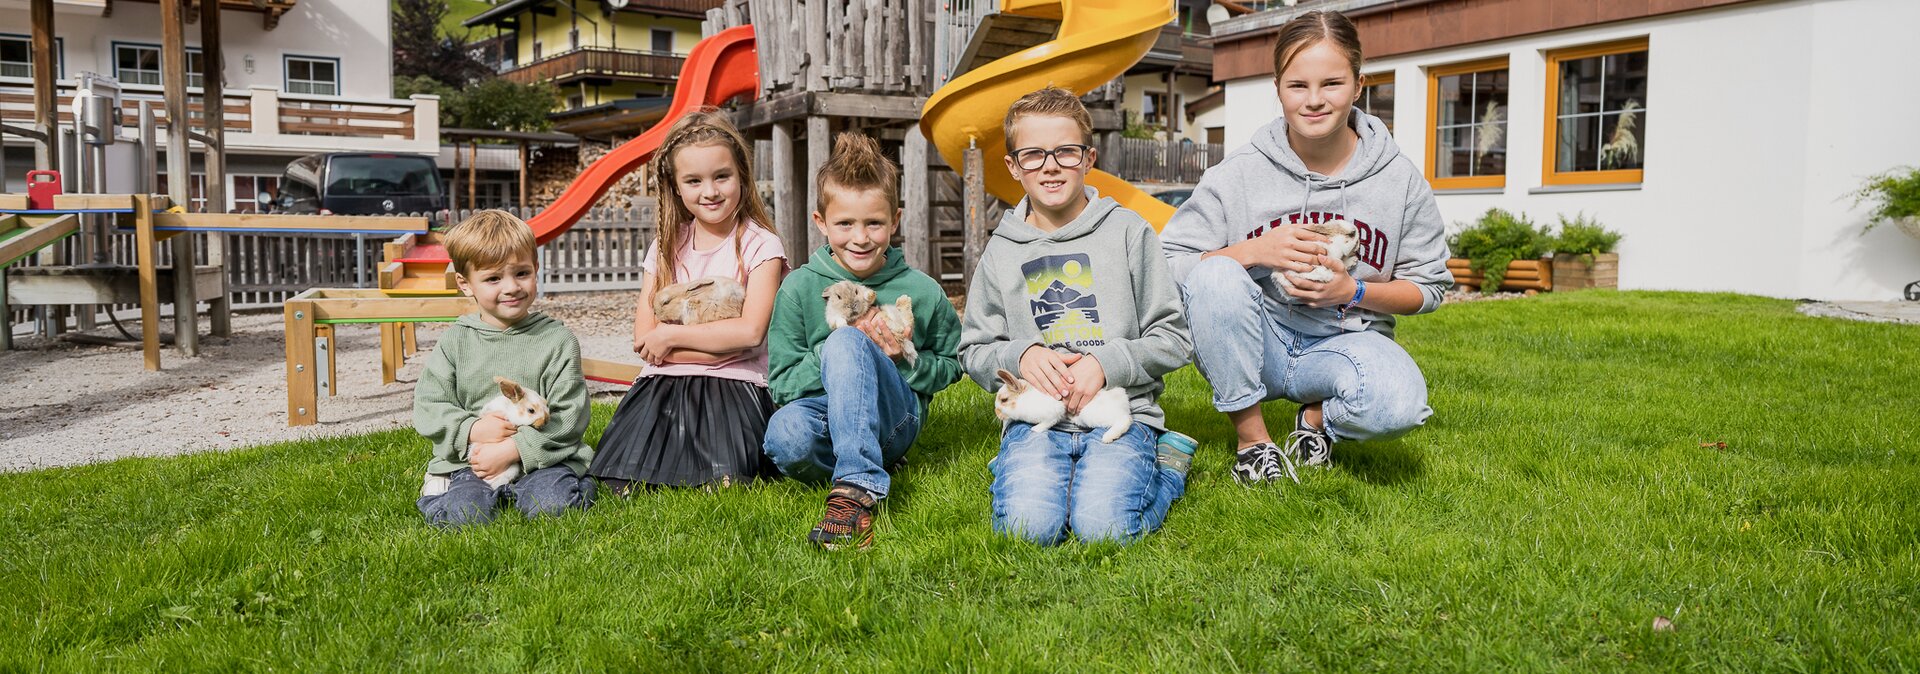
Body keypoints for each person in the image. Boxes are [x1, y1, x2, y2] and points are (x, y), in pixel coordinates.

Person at [1158, 9, 1451, 485]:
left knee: (1400, 405)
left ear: (1358, 85)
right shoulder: (1238, 174)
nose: (1314, 101)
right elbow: (1168, 265)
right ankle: (1254, 443)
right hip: (1259, 343)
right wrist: (1255, 250)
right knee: (1214, 274)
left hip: (1345, 342)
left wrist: (1351, 292)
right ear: (1277, 88)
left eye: (1331, 84)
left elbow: (1430, 287)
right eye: (1298, 86)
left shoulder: (1398, 180)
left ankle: (1314, 420)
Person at [958, 86, 1195, 545]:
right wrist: (1021, 355)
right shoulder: (1001, 251)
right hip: (1036, 420)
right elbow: (973, 349)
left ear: (1088, 158)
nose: (1050, 166)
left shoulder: (1129, 233)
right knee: (1029, 532)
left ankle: (1166, 466)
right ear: (1013, 166)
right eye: (1033, 155)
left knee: (1104, 530)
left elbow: (1174, 337)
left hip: (1119, 414)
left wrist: (1106, 364)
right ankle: (1021, 465)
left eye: (1065, 152)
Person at [762, 132, 963, 550]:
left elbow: (953, 363)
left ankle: (855, 492)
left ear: (895, 220)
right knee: (785, 436)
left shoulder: (922, 290)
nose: (860, 237)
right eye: (845, 224)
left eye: (874, 223)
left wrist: (905, 362)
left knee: (847, 344)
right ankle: (863, 461)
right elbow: (781, 384)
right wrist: (841, 345)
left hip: (895, 417)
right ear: (821, 223)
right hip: (824, 414)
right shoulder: (798, 288)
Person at [588, 110, 786, 492]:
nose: (709, 191)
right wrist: (712, 347)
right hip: (662, 382)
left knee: (724, 480)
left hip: (735, 385)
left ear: (742, 175)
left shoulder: (762, 245)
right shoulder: (665, 248)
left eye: (721, 177)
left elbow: (750, 332)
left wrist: (673, 338)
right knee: (620, 481)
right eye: (694, 181)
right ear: (676, 187)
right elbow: (646, 339)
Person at [414, 210, 595, 527]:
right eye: (493, 278)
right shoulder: (456, 341)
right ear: (465, 283)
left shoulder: (557, 340)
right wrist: (472, 430)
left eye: (521, 273)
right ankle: (442, 490)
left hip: (543, 461)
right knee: (463, 517)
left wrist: (515, 448)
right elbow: (429, 405)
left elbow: (570, 415)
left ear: (536, 269)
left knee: (553, 506)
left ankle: (578, 483)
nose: (511, 287)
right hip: (478, 462)